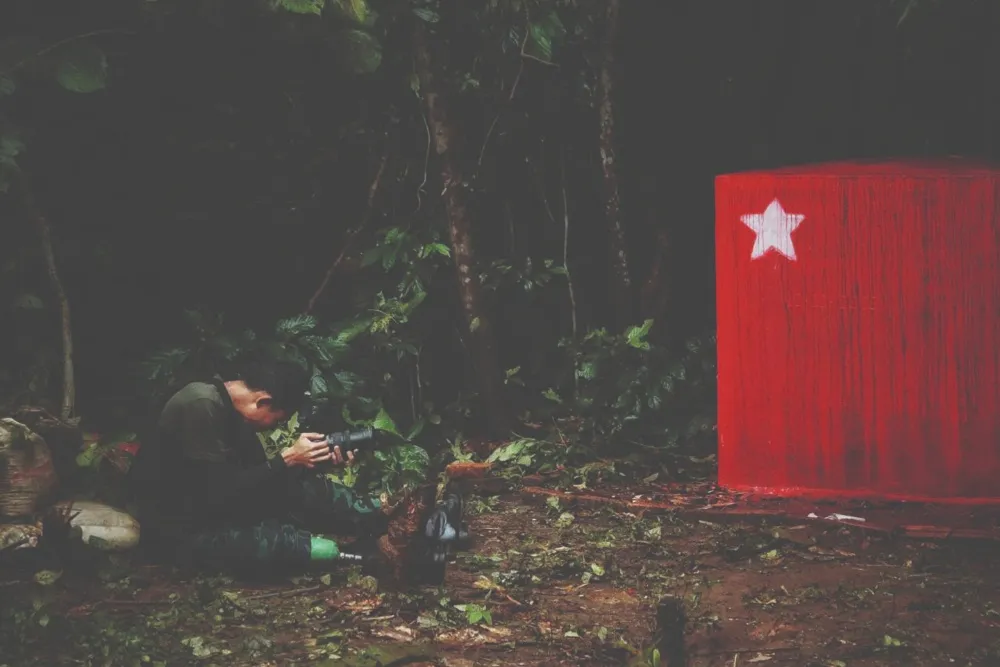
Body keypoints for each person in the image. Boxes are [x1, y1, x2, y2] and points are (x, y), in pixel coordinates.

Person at [128, 360, 389, 575]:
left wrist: (313, 463)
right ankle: (359, 557)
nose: (274, 426)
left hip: (220, 508)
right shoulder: (201, 404)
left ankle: (388, 517)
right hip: (182, 525)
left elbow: (260, 481)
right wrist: (286, 460)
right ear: (262, 401)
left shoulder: (235, 412)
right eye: (277, 420)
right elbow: (215, 496)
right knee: (284, 546)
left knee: (304, 491)